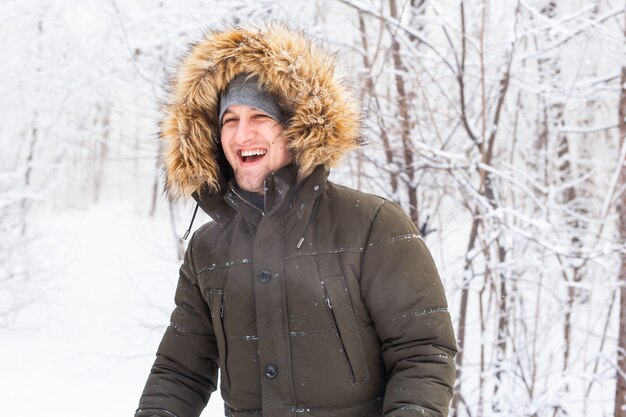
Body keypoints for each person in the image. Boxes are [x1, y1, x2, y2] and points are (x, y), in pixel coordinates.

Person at [136, 23, 457, 417]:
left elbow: (423, 353)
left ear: (295, 126)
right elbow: (180, 371)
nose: (242, 135)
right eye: (229, 120)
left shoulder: (372, 225)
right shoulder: (208, 248)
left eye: (260, 116)